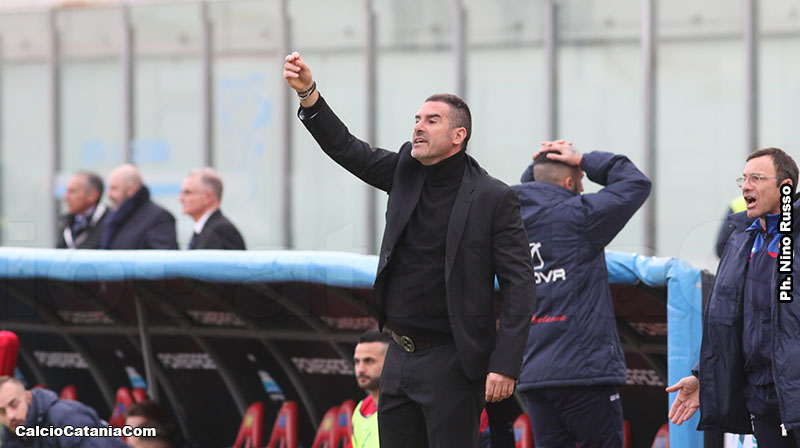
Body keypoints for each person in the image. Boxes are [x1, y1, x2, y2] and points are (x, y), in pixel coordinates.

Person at [283, 52, 535, 448]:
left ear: (458, 136)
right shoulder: (405, 170)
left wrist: (505, 365)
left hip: (454, 361)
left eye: (431, 121)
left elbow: (520, 286)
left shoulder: (493, 197)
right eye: (417, 119)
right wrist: (308, 95)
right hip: (398, 354)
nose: (418, 127)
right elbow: (347, 149)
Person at [511, 141, 651, 447]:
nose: (583, 189)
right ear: (569, 183)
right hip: (583, 372)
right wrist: (584, 159)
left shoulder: (509, 218)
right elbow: (635, 183)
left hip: (534, 374)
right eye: (581, 182)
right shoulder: (579, 214)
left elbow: (535, 192)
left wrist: (538, 167)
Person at [667, 147, 800, 446]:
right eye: (744, 178)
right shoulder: (741, 240)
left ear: (785, 188)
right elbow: (726, 322)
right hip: (763, 404)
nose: (746, 187)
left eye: (757, 178)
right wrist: (704, 376)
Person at [0, 376, 128, 447]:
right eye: (1, 411)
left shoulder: (67, 417)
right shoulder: (11, 432)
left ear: (28, 397)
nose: (10, 416)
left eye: (14, 404)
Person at [99, 164, 178, 250]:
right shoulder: (113, 216)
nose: (108, 194)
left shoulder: (159, 218)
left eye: (114, 188)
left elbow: (162, 256)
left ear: (131, 190)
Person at [178, 168, 245, 250]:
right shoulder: (205, 229)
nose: (180, 199)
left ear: (208, 197)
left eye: (188, 192)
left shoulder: (221, 230)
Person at [350, 331, 389, 448]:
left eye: (369, 361)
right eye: (357, 361)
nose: (360, 369)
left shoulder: (408, 409)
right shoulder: (361, 409)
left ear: (390, 362)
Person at [56, 171, 108, 249]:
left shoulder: (110, 223)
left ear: (93, 195)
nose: (66, 197)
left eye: (72, 192)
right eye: (67, 191)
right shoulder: (67, 223)